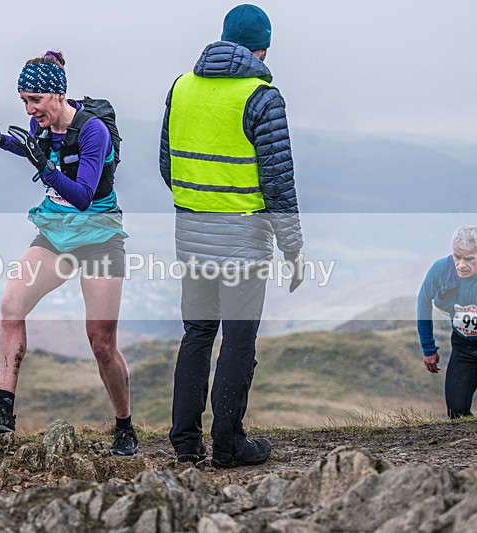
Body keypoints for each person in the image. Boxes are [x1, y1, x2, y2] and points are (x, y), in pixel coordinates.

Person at [0, 51, 138, 456]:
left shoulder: (93, 132)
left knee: (101, 343)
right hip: (55, 236)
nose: (29, 108)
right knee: (11, 304)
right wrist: (0, 139)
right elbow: (35, 150)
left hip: (99, 238)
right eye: (23, 100)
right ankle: (4, 407)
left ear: (58, 94)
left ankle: (124, 425)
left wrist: (46, 168)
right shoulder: (41, 127)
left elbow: (83, 196)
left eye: (35, 99)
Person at [159, 4, 304, 468]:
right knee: (239, 339)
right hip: (244, 239)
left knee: (197, 334)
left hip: (192, 235)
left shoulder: (181, 88)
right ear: (263, 48)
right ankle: (228, 444)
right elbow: (279, 182)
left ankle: (184, 444)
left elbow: (168, 165)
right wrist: (292, 247)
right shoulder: (263, 97)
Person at [417, 225, 477, 419]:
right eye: (457, 256)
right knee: (456, 412)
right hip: (463, 346)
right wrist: (428, 349)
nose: (461, 264)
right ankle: (470, 444)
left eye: (468, 259)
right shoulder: (441, 268)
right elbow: (423, 302)